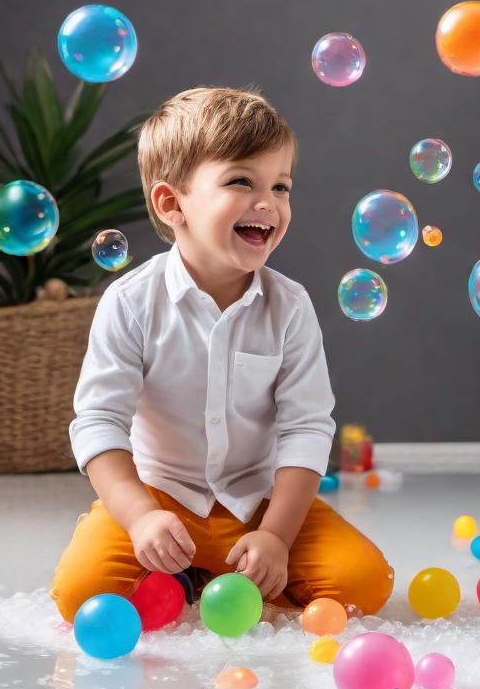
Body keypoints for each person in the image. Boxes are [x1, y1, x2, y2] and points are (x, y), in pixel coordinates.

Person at [51, 87, 393, 622]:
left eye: (281, 186)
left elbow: (306, 428)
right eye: (241, 181)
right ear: (172, 203)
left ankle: (219, 570)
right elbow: (99, 422)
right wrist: (139, 518)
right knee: (80, 597)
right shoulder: (131, 303)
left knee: (364, 583)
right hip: (161, 499)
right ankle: (183, 563)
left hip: (257, 502)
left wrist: (277, 535)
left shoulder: (290, 306)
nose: (269, 203)